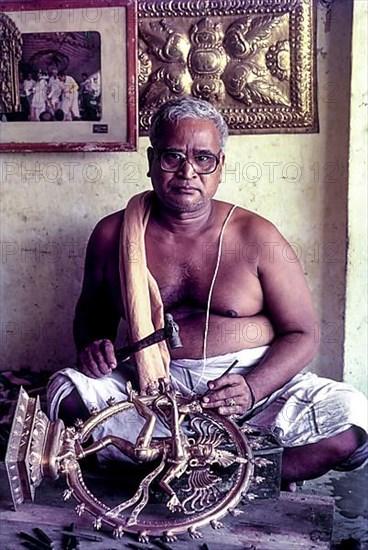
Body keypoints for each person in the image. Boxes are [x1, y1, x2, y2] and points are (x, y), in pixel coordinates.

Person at [47, 97, 367, 486]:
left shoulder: (256, 236)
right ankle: (213, 467)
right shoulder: (114, 234)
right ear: (150, 161)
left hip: (245, 381)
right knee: (65, 391)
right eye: (172, 157)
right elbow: (91, 317)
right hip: (151, 386)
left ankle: (222, 476)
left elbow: (302, 333)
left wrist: (252, 389)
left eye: (203, 159)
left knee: (349, 419)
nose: (187, 172)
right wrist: (94, 347)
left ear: (220, 168)